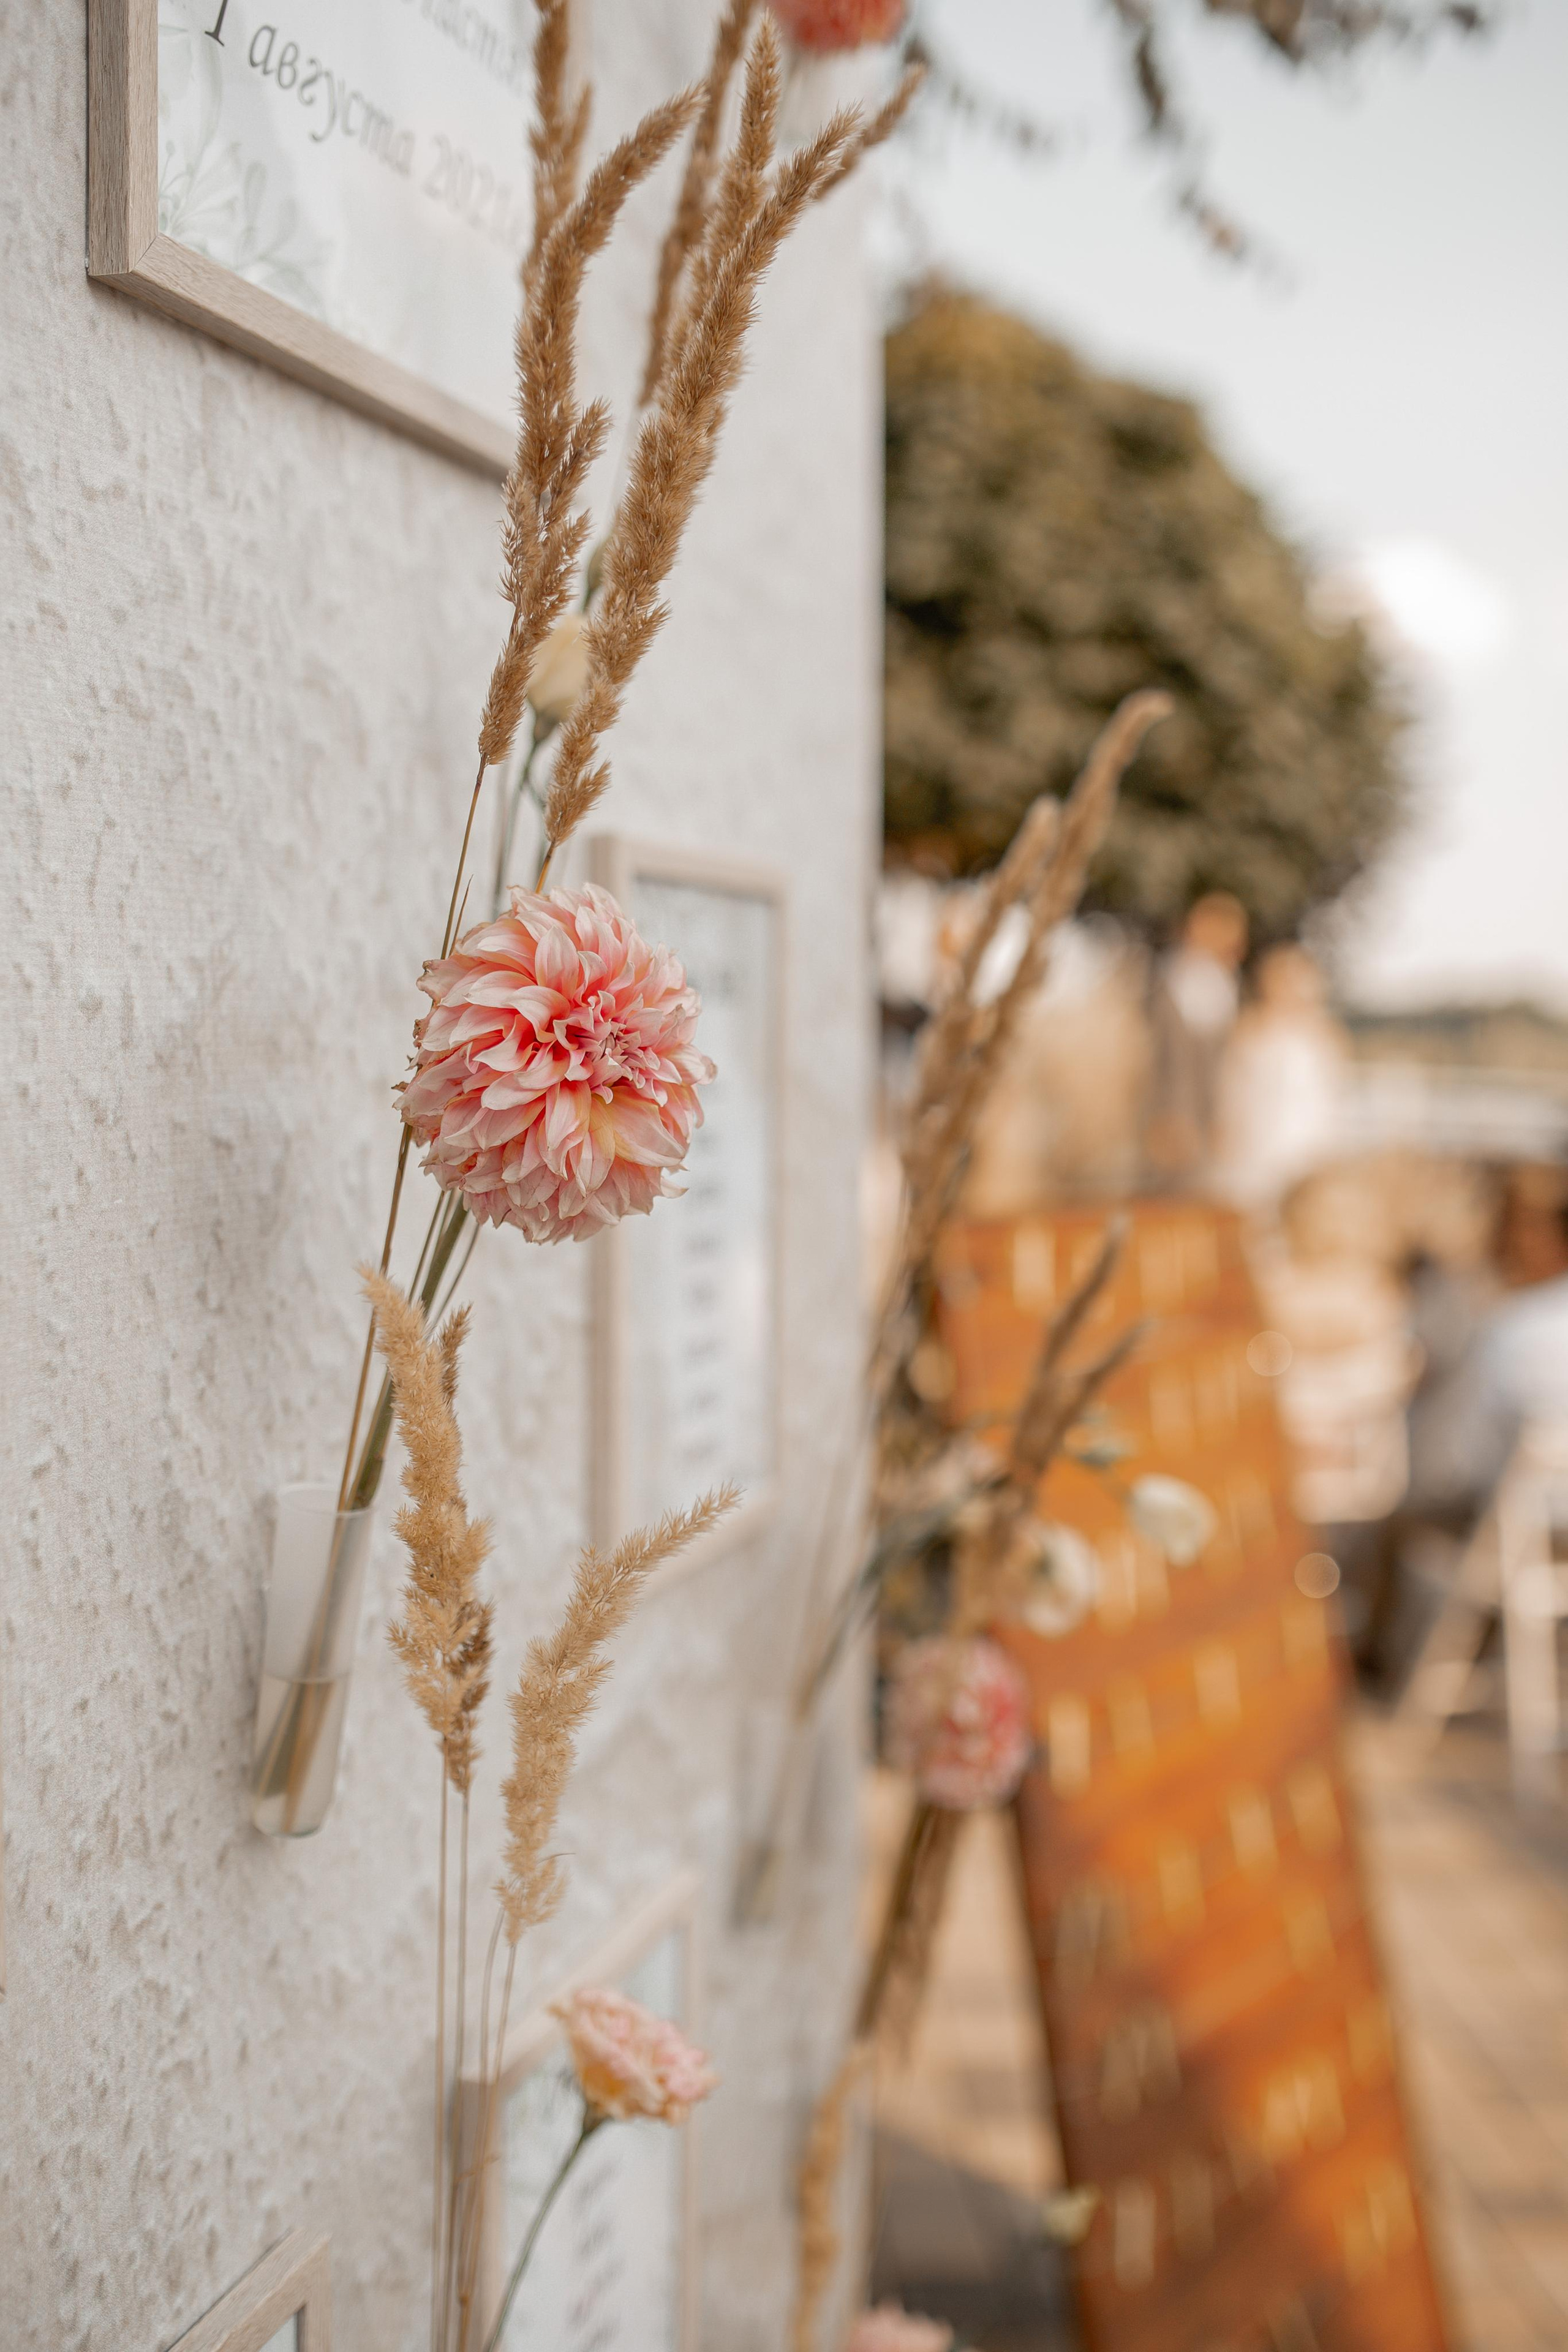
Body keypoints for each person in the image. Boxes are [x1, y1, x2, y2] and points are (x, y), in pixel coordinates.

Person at [1212, 944, 1348, 1212]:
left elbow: (1333, 1094)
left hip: (1310, 1142)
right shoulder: (1249, 1029)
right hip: (1258, 1142)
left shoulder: (1324, 1034)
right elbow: (1231, 1091)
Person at [1142, 891, 1248, 1191]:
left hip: (1216, 1114)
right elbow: (1166, 1058)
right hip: (1176, 1117)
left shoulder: (1228, 982)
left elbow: (1221, 1059)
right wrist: (1170, 1115)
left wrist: (1223, 1115)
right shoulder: (1171, 977)